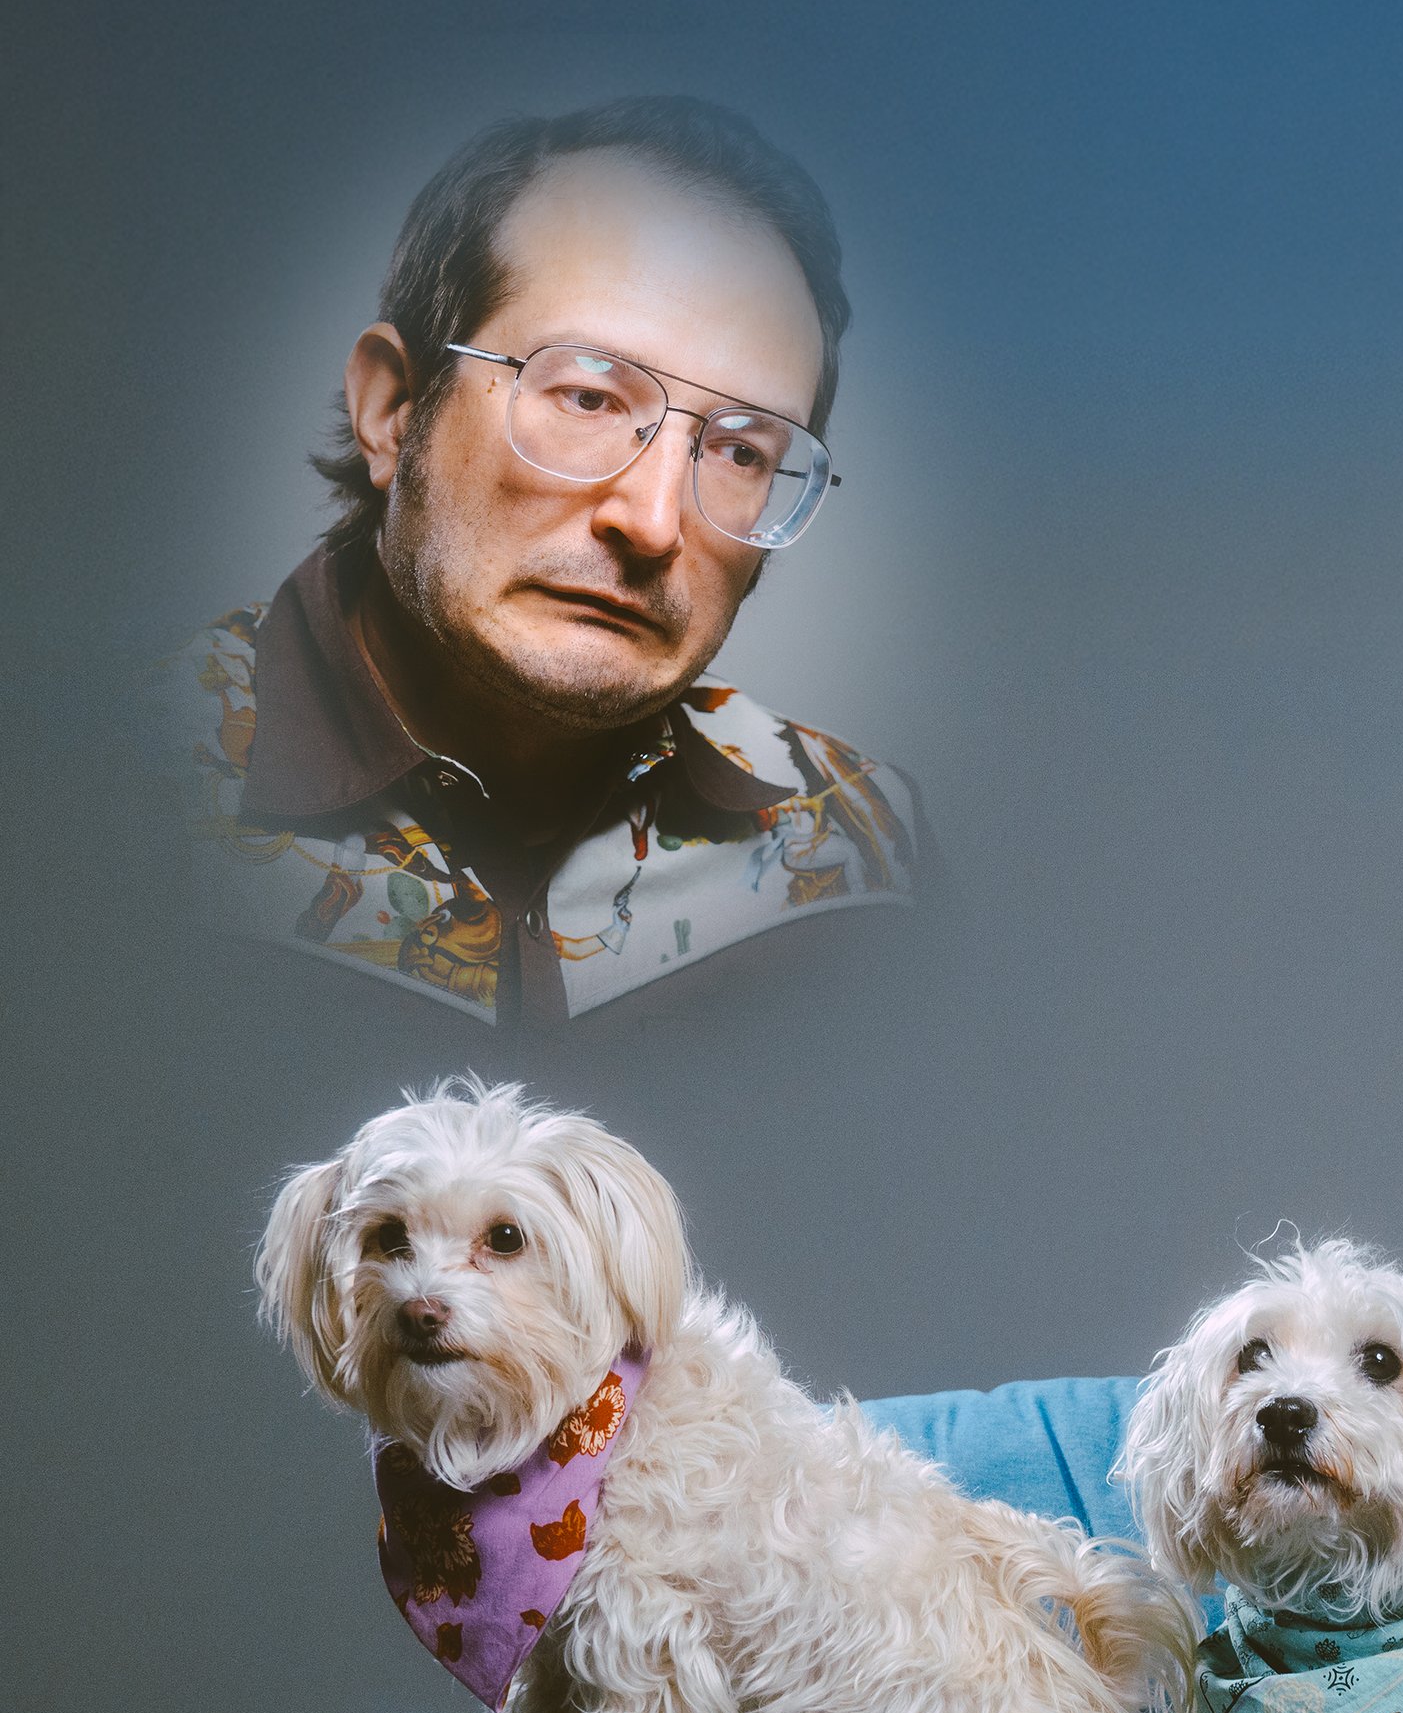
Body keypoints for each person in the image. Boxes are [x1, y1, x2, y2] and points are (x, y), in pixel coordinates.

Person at [162, 96, 921, 1030]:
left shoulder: (866, 847)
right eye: (588, 399)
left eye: (739, 451)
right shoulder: (104, 791)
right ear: (392, 409)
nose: (652, 523)